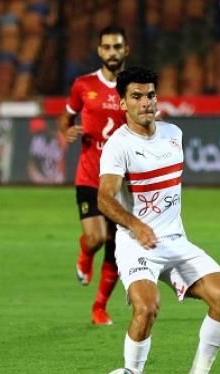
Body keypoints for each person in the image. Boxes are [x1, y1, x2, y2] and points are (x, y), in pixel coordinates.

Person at [98, 66, 220, 374]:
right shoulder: (118, 146)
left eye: (150, 95)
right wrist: (136, 225)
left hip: (175, 240)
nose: (146, 102)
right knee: (146, 307)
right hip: (136, 243)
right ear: (122, 104)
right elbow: (104, 198)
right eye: (136, 96)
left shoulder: (174, 133)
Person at [59, 26, 129, 326]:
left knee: (116, 245)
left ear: (126, 50)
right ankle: (85, 252)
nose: (112, 52)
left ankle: (100, 307)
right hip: (90, 175)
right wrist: (67, 131)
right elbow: (66, 117)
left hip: (122, 181)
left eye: (117, 47)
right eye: (107, 47)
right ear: (100, 51)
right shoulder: (83, 85)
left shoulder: (133, 88)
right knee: (96, 237)